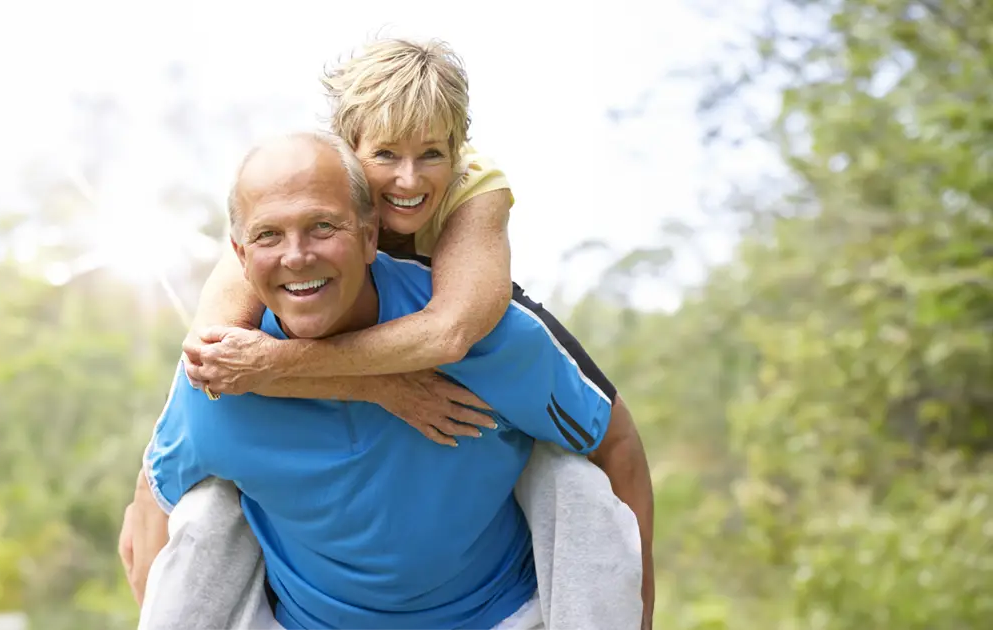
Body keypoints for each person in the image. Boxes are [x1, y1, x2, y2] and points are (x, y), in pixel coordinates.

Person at [176, 36, 654, 612]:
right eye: (386, 157)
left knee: (568, 472)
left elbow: (448, 334)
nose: (408, 180)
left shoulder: (477, 189)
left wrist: (644, 612)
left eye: (432, 154)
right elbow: (213, 359)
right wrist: (377, 387)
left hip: (455, 308)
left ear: (458, 150)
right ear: (347, 149)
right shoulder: (298, 210)